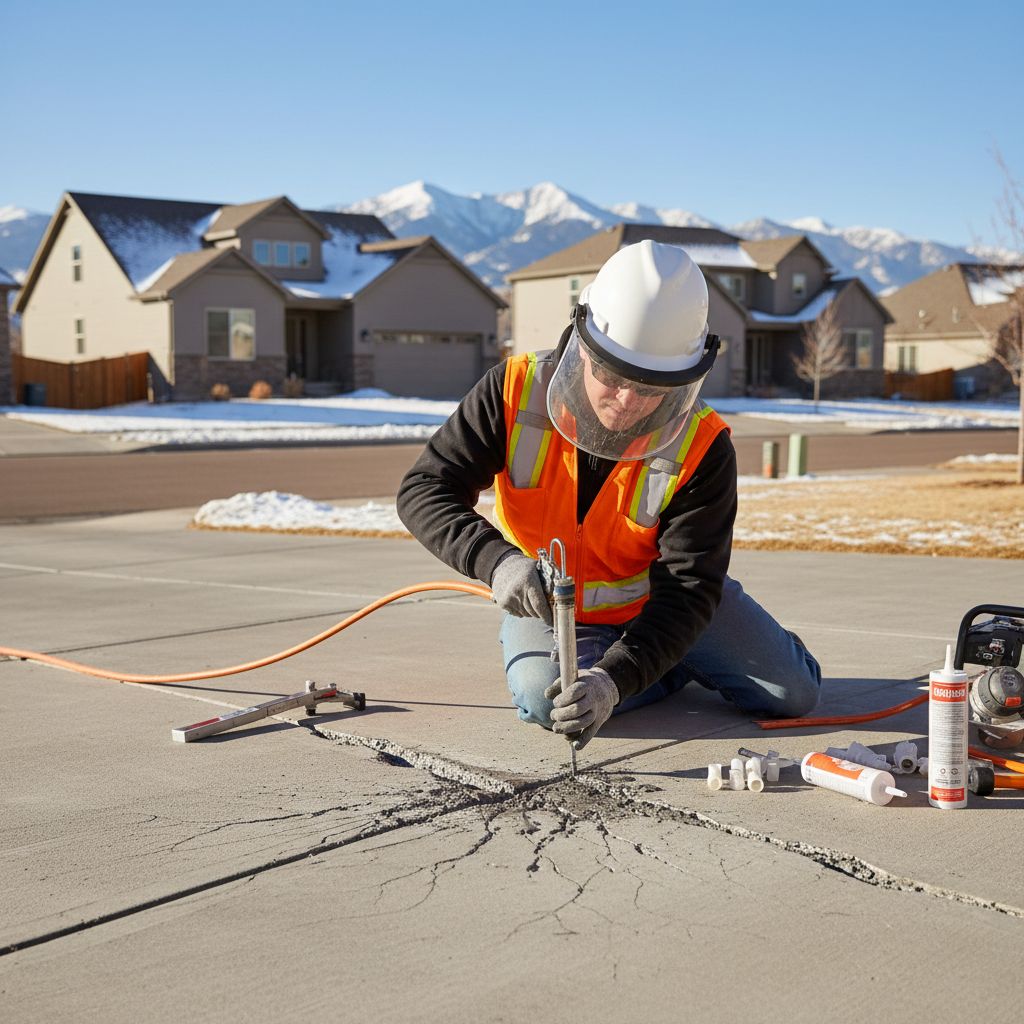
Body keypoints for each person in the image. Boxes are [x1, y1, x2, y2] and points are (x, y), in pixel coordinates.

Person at [397, 240, 821, 750]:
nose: (626, 402)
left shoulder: (703, 446)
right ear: (582, 345)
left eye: (652, 390)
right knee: (543, 700)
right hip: (551, 607)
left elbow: (688, 588)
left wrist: (613, 681)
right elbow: (424, 488)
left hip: (668, 605)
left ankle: (659, 658)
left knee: (792, 694)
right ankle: (663, 666)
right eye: (612, 377)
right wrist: (496, 562)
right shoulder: (512, 390)